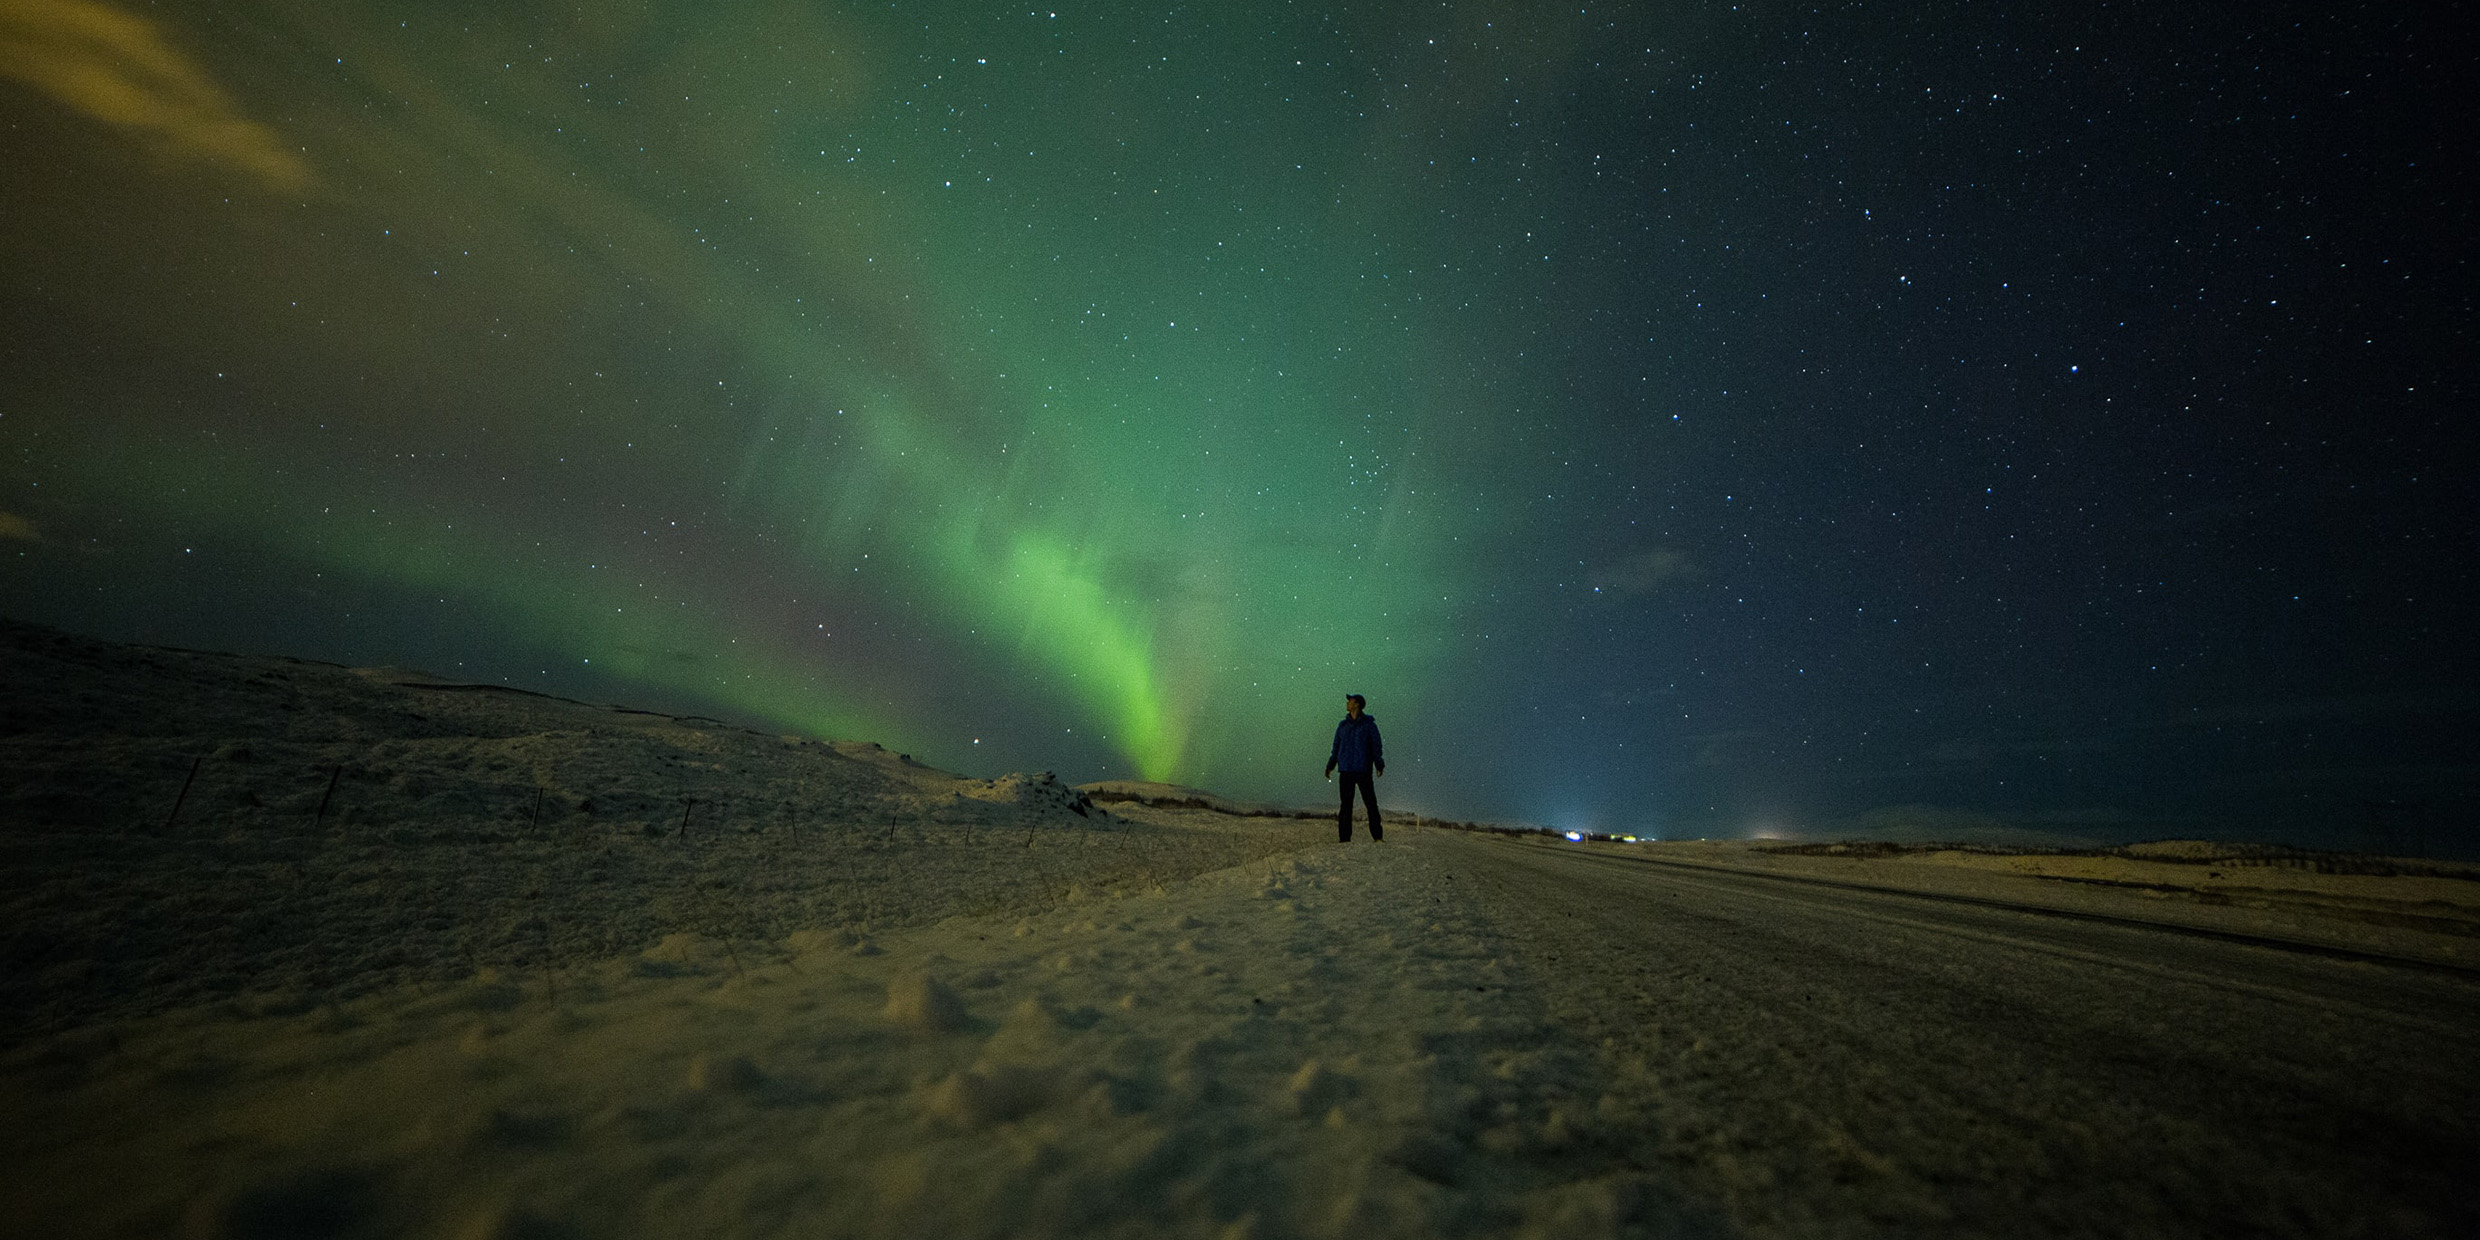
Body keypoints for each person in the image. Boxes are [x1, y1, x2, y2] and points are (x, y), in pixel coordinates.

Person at [1324, 693, 1384, 842]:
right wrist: (1331, 764)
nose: (1347, 703)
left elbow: (1376, 745)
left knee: (1370, 803)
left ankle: (1377, 837)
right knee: (1346, 806)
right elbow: (1336, 747)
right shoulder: (1342, 726)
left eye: (1350, 701)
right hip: (1346, 770)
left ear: (1357, 704)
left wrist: (1378, 763)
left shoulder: (1369, 725)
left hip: (1363, 769)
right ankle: (1344, 839)